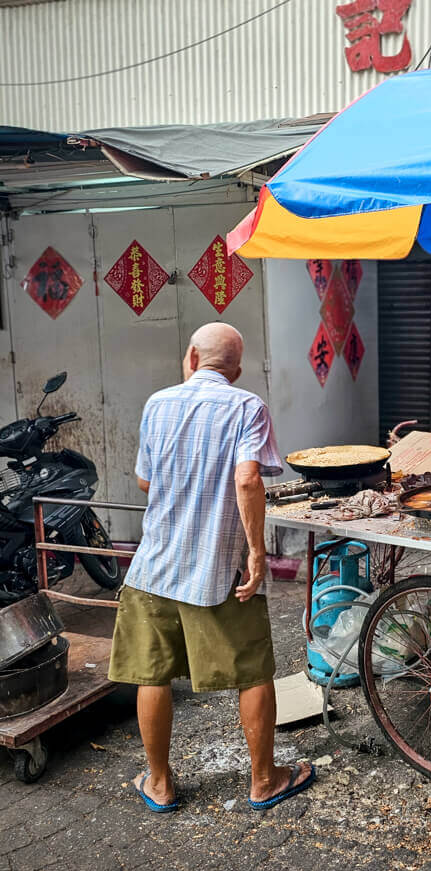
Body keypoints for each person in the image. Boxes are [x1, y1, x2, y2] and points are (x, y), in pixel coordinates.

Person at [108, 322, 315, 812]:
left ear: (192, 358)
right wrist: (257, 553)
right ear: (236, 369)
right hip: (218, 568)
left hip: (155, 564)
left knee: (152, 674)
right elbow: (248, 479)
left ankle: (159, 783)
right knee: (252, 672)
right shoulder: (247, 407)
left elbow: (144, 482)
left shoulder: (157, 403)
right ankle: (263, 781)